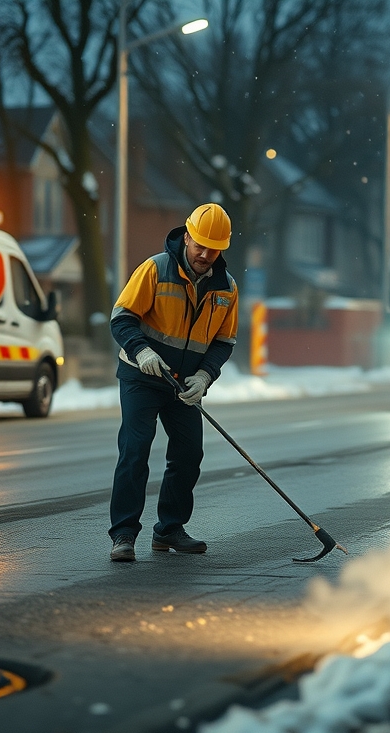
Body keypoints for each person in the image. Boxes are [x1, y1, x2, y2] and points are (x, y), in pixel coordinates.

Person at [106, 203, 239, 562]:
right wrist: (142, 352)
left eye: (214, 248)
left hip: (184, 385)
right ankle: (123, 534)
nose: (205, 254)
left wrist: (204, 375)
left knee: (189, 453)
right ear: (186, 236)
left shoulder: (226, 288)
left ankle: (168, 529)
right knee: (135, 450)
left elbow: (224, 342)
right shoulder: (155, 269)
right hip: (142, 376)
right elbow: (121, 319)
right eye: (200, 245)